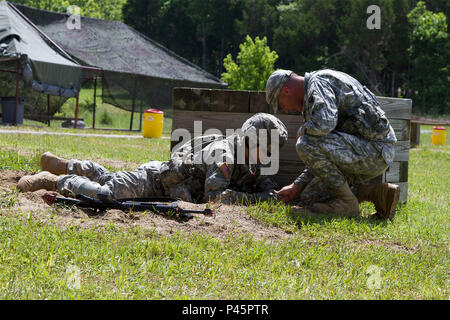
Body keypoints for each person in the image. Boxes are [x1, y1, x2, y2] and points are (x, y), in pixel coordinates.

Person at [18, 113, 288, 205]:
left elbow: (264, 184)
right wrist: (260, 200)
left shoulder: (250, 160)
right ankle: (55, 179)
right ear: (252, 139)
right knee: (105, 194)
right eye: (269, 146)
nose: (270, 153)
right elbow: (215, 197)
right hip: (154, 181)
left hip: (166, 188)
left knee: (109, 180)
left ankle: (69, 164)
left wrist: (273, 194)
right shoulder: (225, 155)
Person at [265, 69, 400, 219]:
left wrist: (301, 131)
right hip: (367, 153)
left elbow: (324, 126)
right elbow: (321, 156)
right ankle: (377, 193)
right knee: (310, 197)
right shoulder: (317, 87)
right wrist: (297, 186)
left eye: (280, 103)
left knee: (304, 142)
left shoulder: (318, 83)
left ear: (286, 91)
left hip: (374, 152)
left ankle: (348, 203)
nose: (285, 109)